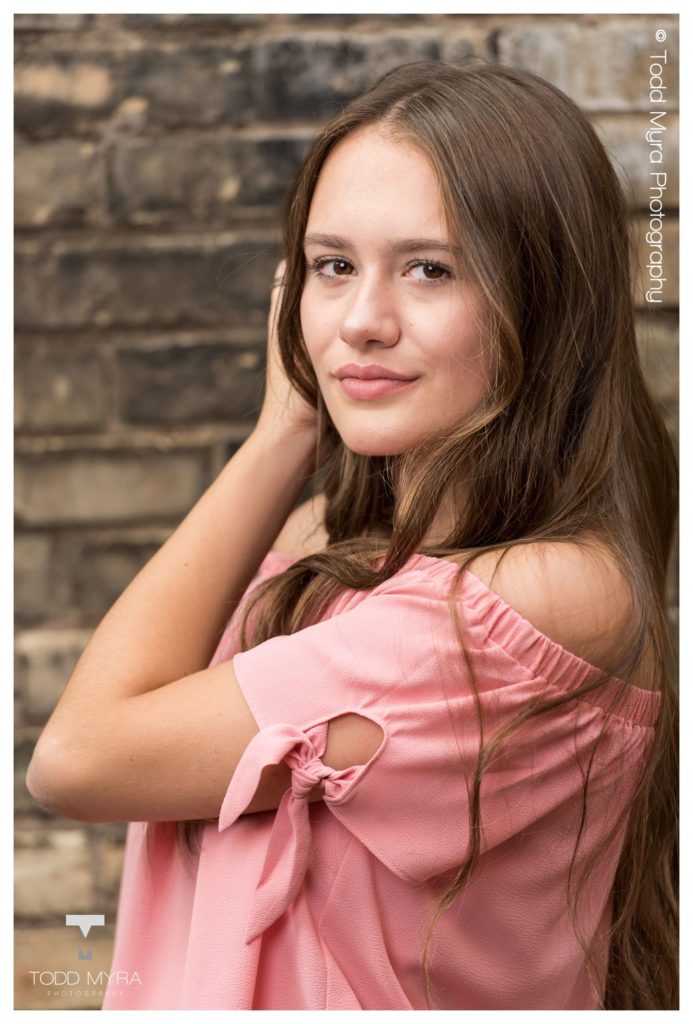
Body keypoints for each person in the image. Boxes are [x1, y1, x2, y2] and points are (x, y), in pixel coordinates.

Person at [25, 59, 677, 1011]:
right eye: (332, 267)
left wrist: (274, 435)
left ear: (543, 302)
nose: (361, 322)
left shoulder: (529, 600)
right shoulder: (323, 544)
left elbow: (80, 759)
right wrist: (292, 429)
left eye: (429, 269)